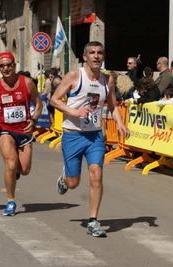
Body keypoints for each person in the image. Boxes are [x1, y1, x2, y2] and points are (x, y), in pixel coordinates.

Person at [50, 41, 129, 237]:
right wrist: (74, 111)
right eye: (92, 53)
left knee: (96, 174)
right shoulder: (75, 76)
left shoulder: (107, 79)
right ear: (85, 57)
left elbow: (113, 105)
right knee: (73, 183)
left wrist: (119, 123)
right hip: (73, 135)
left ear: (103, 57)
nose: (96, 56)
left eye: (99, 53)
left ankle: (93, 221)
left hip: (94, 135)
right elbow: (54, 99)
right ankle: (65, 176)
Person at [0, 51, 42, 216]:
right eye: (2, 66)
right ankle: (11, 201)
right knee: (10, 163)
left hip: (24, 129)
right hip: (4, 129)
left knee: (24, 169)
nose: (6, 68)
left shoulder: (27, 83)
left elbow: (38, 103)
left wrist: (34, 120)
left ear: (14, 65)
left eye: (9, 65)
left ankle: (16, 170)